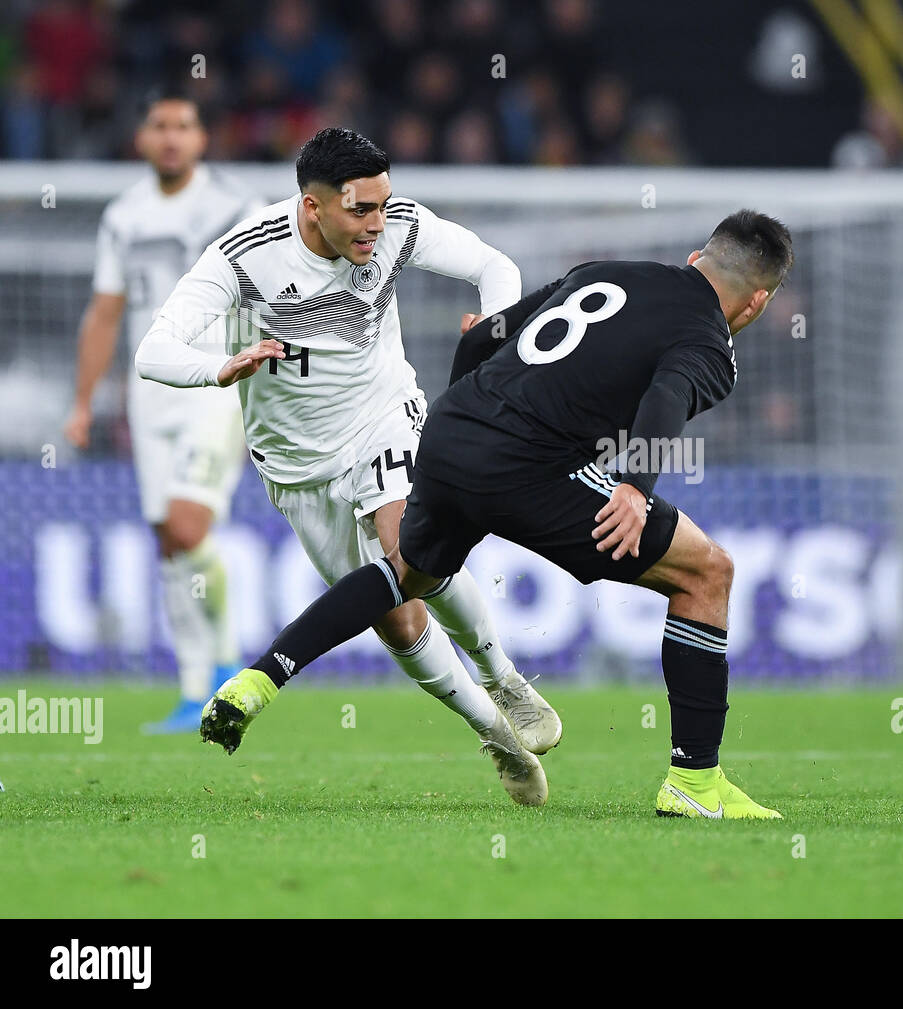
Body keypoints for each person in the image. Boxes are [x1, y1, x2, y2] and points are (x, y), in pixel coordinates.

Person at [199, 210, 793, 819]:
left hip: (454, 427)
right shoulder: (709, 341)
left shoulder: (605, 271)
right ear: (755, 304)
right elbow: (666, 398)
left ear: (697, 258)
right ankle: (694, 781)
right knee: (707, 573)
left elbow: (483, 336)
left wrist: (470, 430)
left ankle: (258, 679)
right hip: (531, 465)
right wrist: (635, 489)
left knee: (408, 573)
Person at [134, 127, 560, 802]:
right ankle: (494, 733)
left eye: (383, 205)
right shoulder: (245, 257)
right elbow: (154, 350)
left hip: (383, 415)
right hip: (298, 467)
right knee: (395, 614)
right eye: (361, 210)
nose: (376, 224)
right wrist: (221, 367)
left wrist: (497, 328)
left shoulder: (396, 229)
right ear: (313, 207)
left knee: (409, 550)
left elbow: (494, 265)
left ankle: (501, 673)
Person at [65, 93, 264, 733]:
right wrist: (82, 400)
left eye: (184, 126)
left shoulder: (239, 209)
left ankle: (227, 664)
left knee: (186, 525)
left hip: (217, 383)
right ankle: (191, 688)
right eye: (160, 126)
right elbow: (105, 312)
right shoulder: (124, 216)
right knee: (167, 542)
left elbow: (271, 295)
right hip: (150, 393)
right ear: (143, 140)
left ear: (203, 140)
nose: (172, 138)